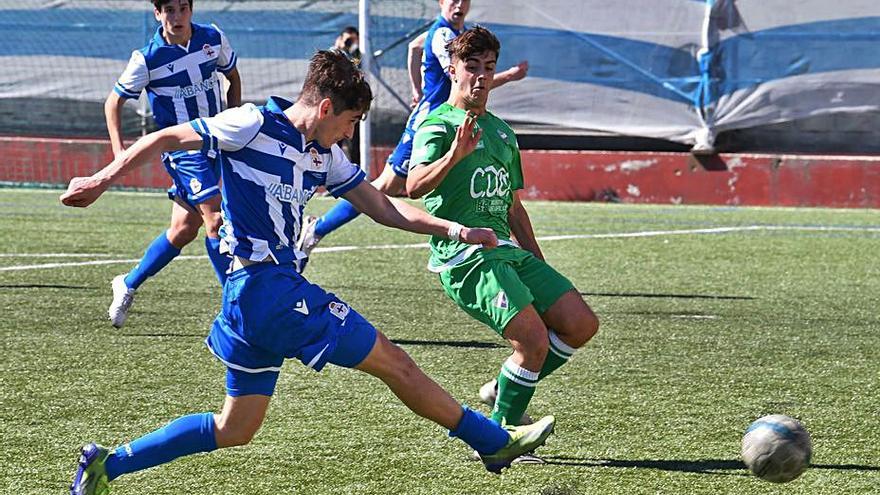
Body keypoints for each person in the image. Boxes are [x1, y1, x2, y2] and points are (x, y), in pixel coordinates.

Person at [62, 50, 555, 495]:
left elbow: (385, 208)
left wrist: (456, 230)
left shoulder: (323, 154)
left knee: (235, 428)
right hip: (268, 289)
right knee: (394, 362)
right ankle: (491, 441)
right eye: (350, 122)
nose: (349, 133)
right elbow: (166, 136)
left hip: (252, 299)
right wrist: (101, 178)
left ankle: (109, 463)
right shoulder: (251, 123)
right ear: (325, 109)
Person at [406, 26, 600, 436]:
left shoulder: (501, 131)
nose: (480, 76)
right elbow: (414, 185)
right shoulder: (438, 124)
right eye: (471, 66)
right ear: (453, 70)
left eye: (488, 68)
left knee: (580, 323)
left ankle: (504, 388)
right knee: (532, 341)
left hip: (508, 251)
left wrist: (539, 262)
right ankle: (499, 436)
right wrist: (455, 156)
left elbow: (513, 206)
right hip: (466, 256)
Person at [297, 0, 529, 270]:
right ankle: (317, 229)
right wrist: (509, 76)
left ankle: (506, 246)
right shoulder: (443, 34)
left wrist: (417, 89)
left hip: (453, 123)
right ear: (441, 2)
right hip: (429, 127)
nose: (459, 5)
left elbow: (414, 47)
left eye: (464, 0)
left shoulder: (453, 32)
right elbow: (464, 79)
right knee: (382, 188)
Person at [104, 0, 242, 328]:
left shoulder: (213, 38)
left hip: (214, 143)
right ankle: (238, 311)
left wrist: (235, 127)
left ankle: (129, 282)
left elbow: (233, 78)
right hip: (183, 152)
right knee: (215, 220)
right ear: (158, 13)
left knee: (182, 230)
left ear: (191, 10)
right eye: (169, 9)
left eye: (182, 8)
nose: (176, 17)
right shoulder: (147, 58)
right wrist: (119, 153)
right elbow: (113, 103)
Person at [331, 26, 362, 164]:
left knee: (355, 144)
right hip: (336, 106)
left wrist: (356, 50)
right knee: (333, 141)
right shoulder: (333, 54)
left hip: (352, 105)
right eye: (348, 40)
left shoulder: (357, 57)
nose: (350, 43)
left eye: (353, 40)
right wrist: (340, 47)